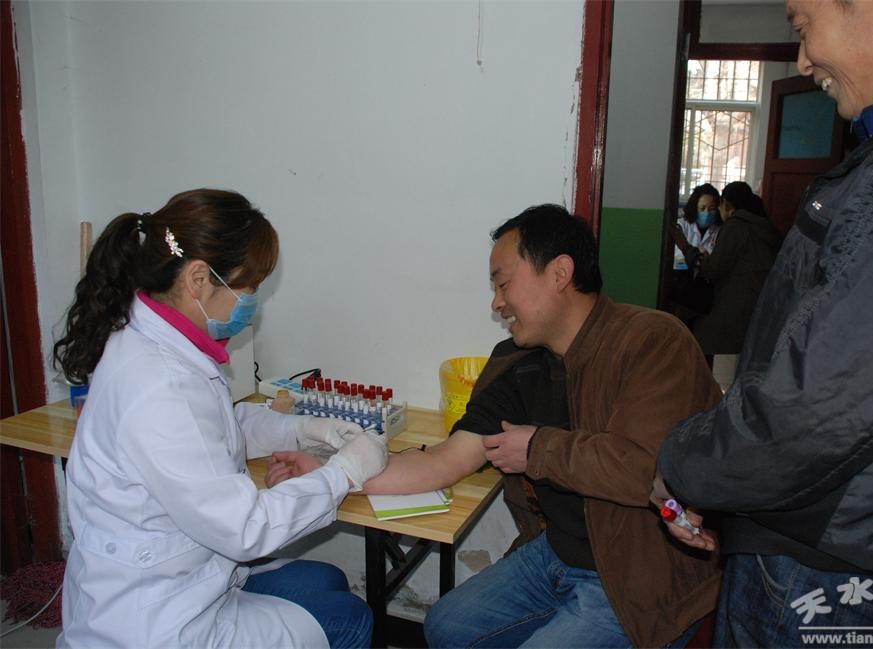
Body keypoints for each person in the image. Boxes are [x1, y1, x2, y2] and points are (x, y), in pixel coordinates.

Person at [653, 1, 873, 647]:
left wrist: (685, 465)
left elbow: (818, 407)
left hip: (842, 565)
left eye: (802, 26)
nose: (802, 61)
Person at [359, 205, 722, 648]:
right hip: (559, 553)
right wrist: (334, 473)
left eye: (503, 283)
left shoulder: (653, 341)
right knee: (446, 626)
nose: (496, 303)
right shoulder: (518, 361)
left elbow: (645, 469)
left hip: (640, 574)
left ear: (559, 273)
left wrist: (537, 449)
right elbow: (447, 460)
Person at [52, 189, 388, 649]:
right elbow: (246, 529)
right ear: (197, 279)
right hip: (154, 624)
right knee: (350, 619)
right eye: (248, 289)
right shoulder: (160, 384)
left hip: (180, 573)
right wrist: (344, 473)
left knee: (325, 579)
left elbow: (212, 427)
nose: (251, 302)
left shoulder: (154, 341)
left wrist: (302, 429)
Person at [690, 181, 780, 361]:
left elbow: (713, 269)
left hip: (736, 304)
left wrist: (694, 255)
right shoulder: (765, 226)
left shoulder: (736, 226)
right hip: (764, 305)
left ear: (726, 204)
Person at [670, 183, 722, 323]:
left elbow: (715, 261)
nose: (707, 213)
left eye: (711, 209)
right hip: (680, 281)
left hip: (704, 286)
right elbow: (675, 256)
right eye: (702, 208)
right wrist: (698, 254)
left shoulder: (719, 231)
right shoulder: (682, 225)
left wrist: (696, 257)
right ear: (695, 208)